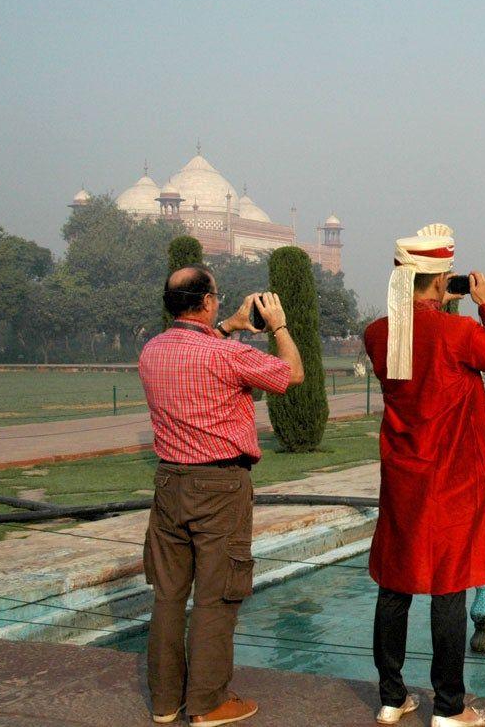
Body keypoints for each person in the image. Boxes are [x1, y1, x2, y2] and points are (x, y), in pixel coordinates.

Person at [363, 224, 485, 727]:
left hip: (404, 479)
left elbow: (407, 342)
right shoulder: (456, 333)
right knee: (447, 589)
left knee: (395, 586)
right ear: (437, 283)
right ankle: (449, 707)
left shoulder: (378, 334)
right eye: (447, 278)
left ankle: (391, 697)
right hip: (449, 480)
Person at [140, 265, 304, 727]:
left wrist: (230, 324)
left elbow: (196, 342)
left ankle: (165, 701)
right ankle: (208, 703)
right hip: (219, 486)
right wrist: (279, 326)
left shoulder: (151, 351)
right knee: (216, 597)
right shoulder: (223, 357)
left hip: (170, 482)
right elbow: (292, 374)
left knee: (168, 597)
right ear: (208, 300)